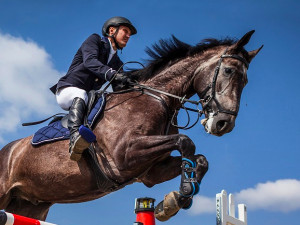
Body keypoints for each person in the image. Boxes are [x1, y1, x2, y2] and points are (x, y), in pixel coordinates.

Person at [50, 16, 137, 161]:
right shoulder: (95, 40)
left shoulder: (117, 62)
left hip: (88, 97)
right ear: (112, 30)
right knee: (81, 94)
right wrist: (112, 74)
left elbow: (119, 90)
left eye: (129, 34)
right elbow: (90, 61)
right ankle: (75, 137)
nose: (128, 36)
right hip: (68, 90)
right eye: (125, 31)